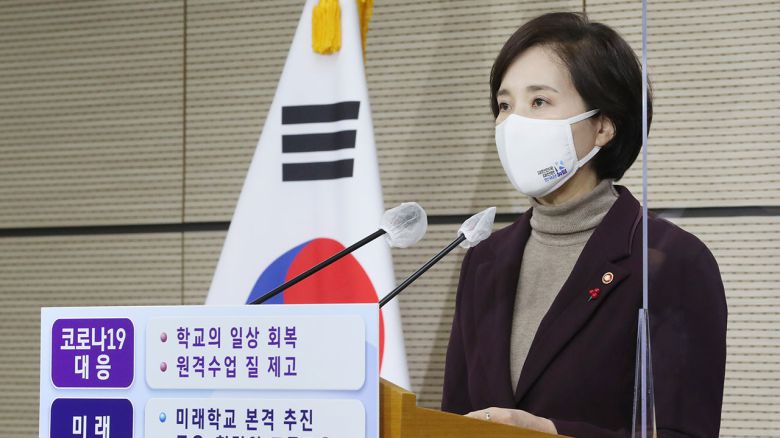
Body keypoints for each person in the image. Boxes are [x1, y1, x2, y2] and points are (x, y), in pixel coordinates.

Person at [441, 12, 727, 438]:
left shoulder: (671, 261)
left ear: (603, 126)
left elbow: (684, 432)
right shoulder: (484, 260)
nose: (513, 123)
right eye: (504, 105)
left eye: (539, 102)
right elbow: (453, 420)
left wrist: (551, 432)